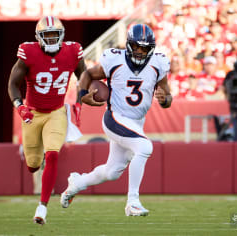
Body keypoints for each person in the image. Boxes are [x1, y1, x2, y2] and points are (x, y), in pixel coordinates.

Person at [60, 24, 172, 216]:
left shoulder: (158, 63)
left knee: (112, 172)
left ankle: (78, 182)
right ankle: (133, 202)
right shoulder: (115, 59)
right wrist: (83, 95)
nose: (140, 51)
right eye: (137, 46)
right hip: (115, 118)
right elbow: (88, 74)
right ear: (129, 45)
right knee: (145, 147)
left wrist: (165, 99)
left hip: (136, 122)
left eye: (145, 48)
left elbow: (167, 97)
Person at [7, 16, 85, 225]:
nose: (51, 40)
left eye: (54, 35)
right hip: (32, 114)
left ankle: (42, 207)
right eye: (46, 35)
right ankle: (37, 160)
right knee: (33, 165)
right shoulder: (28, 52)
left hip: (57, 112)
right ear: (39, 37)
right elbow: (13, 83)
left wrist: (79, 102)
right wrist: (20, 106)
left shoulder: (73, 51)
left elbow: (84, 78)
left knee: (52, 156)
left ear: (61, 35)